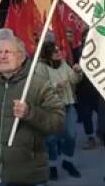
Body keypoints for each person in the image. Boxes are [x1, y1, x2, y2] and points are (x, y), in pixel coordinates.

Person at [0, 36, 64, 186]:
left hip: (27, 175)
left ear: (21, 56)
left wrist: (30, 113)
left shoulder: (39, 85)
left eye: (8, 52)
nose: (2, 56)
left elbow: (58, 122)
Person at [36, 41, 83, 180]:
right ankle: (52, 166)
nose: (58, 53)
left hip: (67, 105)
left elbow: (74, 80)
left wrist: (77, 73)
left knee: (71, 135)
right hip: (51, 107)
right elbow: (39, 86)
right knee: (51, 139)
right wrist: (55, 86)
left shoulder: (63, 63)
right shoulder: (41, 67)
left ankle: (67, 161)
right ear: (48, 54)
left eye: (59, 50)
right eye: (55, 51)